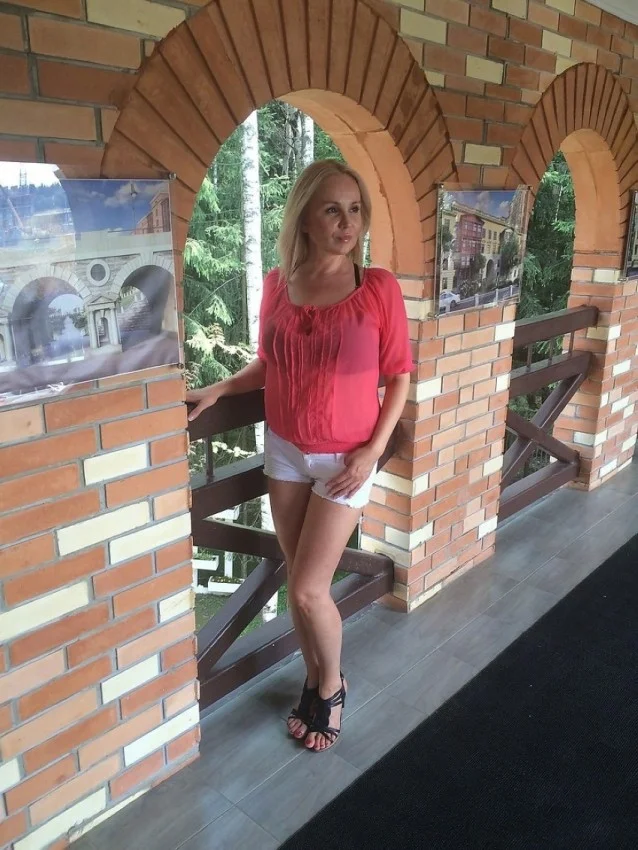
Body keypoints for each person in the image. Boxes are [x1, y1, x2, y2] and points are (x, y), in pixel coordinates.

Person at [187, 159, 412, 752]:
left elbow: (399, 377)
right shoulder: (277, 285)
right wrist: (219, 389)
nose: (347, 223)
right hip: (285, 450)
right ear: (305, 219)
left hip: (346, 460)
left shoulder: (377, 288)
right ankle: (313, 676)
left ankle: (332, 686)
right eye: (333, 210)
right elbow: (269, 363)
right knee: (297, 579)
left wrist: (371, 453)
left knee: (312, 589)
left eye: (355, 210)